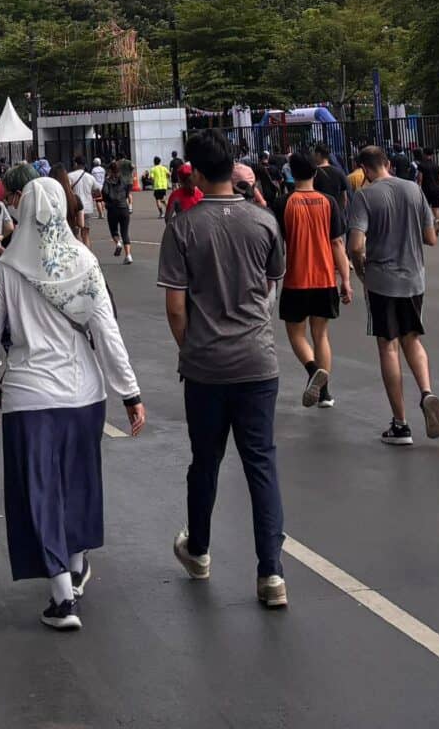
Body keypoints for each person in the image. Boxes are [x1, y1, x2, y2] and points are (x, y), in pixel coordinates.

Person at [0, 177, 144, 630]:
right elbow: (106, 333)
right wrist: (129, 392)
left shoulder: (6, 270)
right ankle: (75, 561)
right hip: (85, 394)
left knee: (40, 490)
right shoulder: (87, 262)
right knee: (77, 481)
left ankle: (61, 595)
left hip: (29, 396)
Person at [160, 130, 289, 608]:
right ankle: (271, 574)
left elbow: (176, 308)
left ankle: (199, 550)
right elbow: (273, 285)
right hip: (258, 362)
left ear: (191, 171)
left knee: (206, 462)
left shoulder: (183, 227)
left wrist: (191, 348)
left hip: (206, 367)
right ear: (234, 167)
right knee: (261, 464)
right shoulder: (263, 221)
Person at [346, 145, 439, 446]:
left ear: (364, 169)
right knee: (412, 338)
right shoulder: (413, 190)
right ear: (388, 163)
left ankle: (400, 424)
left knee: (388, 347)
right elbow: (431, 238)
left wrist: (360, 268)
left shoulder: (364, 196)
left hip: (382, 281)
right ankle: (427, 392)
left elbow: (356, 244)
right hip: (414, 279)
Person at [276, 144, 349, 407]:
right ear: (315, 173)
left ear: (292, 174)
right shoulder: (329, 202)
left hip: (296, 278)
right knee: (321, 335)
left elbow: (276, 245)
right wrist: (347, 281)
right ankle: (325, 393)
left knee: (296, 333)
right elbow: (337, 244)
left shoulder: (283, 203)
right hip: (325, 278)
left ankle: (311, 371)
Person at [103, 158, 136, 264]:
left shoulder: (107, 181)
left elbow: (104, 193)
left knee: (114, 230)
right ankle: (128, 255)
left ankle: (118, 243)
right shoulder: (123, 180)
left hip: (112, 208)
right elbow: (127, 193)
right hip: (123, 208)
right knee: (125, 232)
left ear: (110, 171)